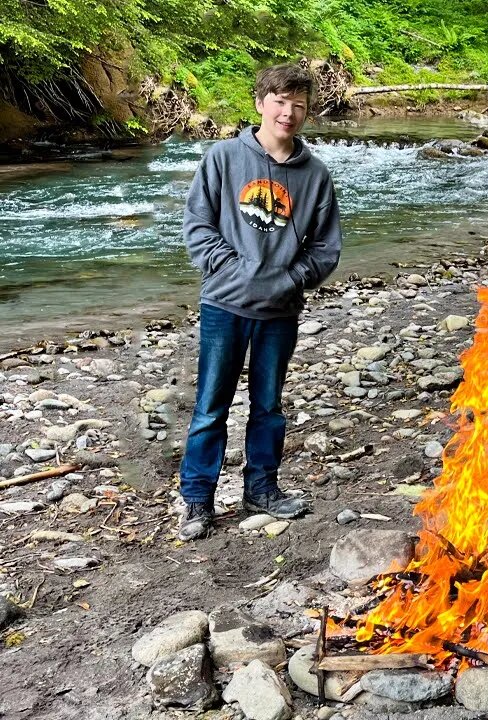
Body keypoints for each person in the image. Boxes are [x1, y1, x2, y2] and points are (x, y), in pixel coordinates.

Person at [176, 63, 343, 540]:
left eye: (299, 106)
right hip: (224, 305)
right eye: (280, 102)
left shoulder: (314, 175)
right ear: (260, 103)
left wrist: (291, 279)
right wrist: (233, 269)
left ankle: (262, 489)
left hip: (280, 312)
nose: (288, 113)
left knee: (268, 406)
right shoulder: (224, 158)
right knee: (211, 405)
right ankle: (197, 500)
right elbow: (198, 226)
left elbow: (326, 247)